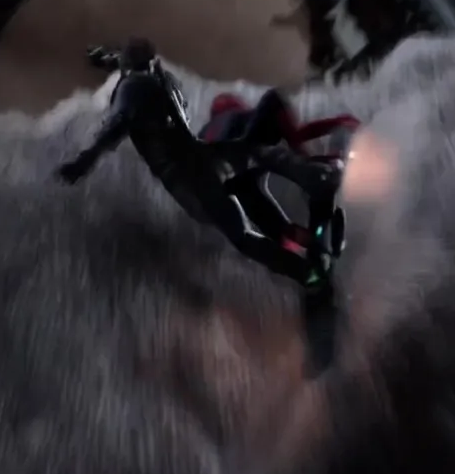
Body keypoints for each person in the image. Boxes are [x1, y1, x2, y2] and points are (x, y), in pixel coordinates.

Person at [57, 39, 338, 288]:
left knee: (246, 225)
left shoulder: (139, 83)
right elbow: (120, 116)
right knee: (253, 166)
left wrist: (83, 161)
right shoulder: (147, 83)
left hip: (192, 169)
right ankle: (316, 193)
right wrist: (84, 160)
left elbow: (117, 119)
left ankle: (310, 264)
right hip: (195, 169)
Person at [198, 89, 357, 286]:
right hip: (247, 150)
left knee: (281, 232)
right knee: (279, 109)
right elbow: (296, 134)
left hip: (227, 176)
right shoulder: (242, 116)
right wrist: (337, 123)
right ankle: (320, 244)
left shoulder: (209, 130)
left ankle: (314, 259)